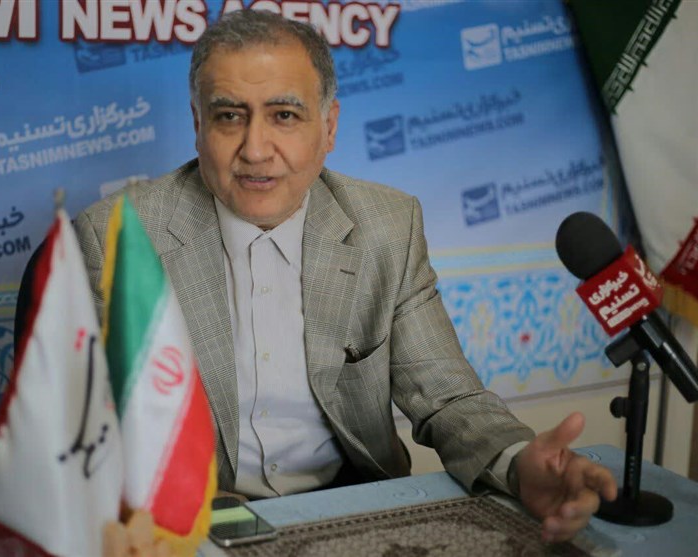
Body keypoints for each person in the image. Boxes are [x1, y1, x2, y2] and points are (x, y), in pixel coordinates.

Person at [74, 9, 616, 543]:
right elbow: (85, 434)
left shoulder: (387, 227)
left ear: (329, 126)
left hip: (353, 508)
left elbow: (448, 399)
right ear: (198, 125)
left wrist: (518, 464)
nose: (255, 150)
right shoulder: (117, 239)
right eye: (230, 116)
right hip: (190, 527)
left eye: (284, 115)